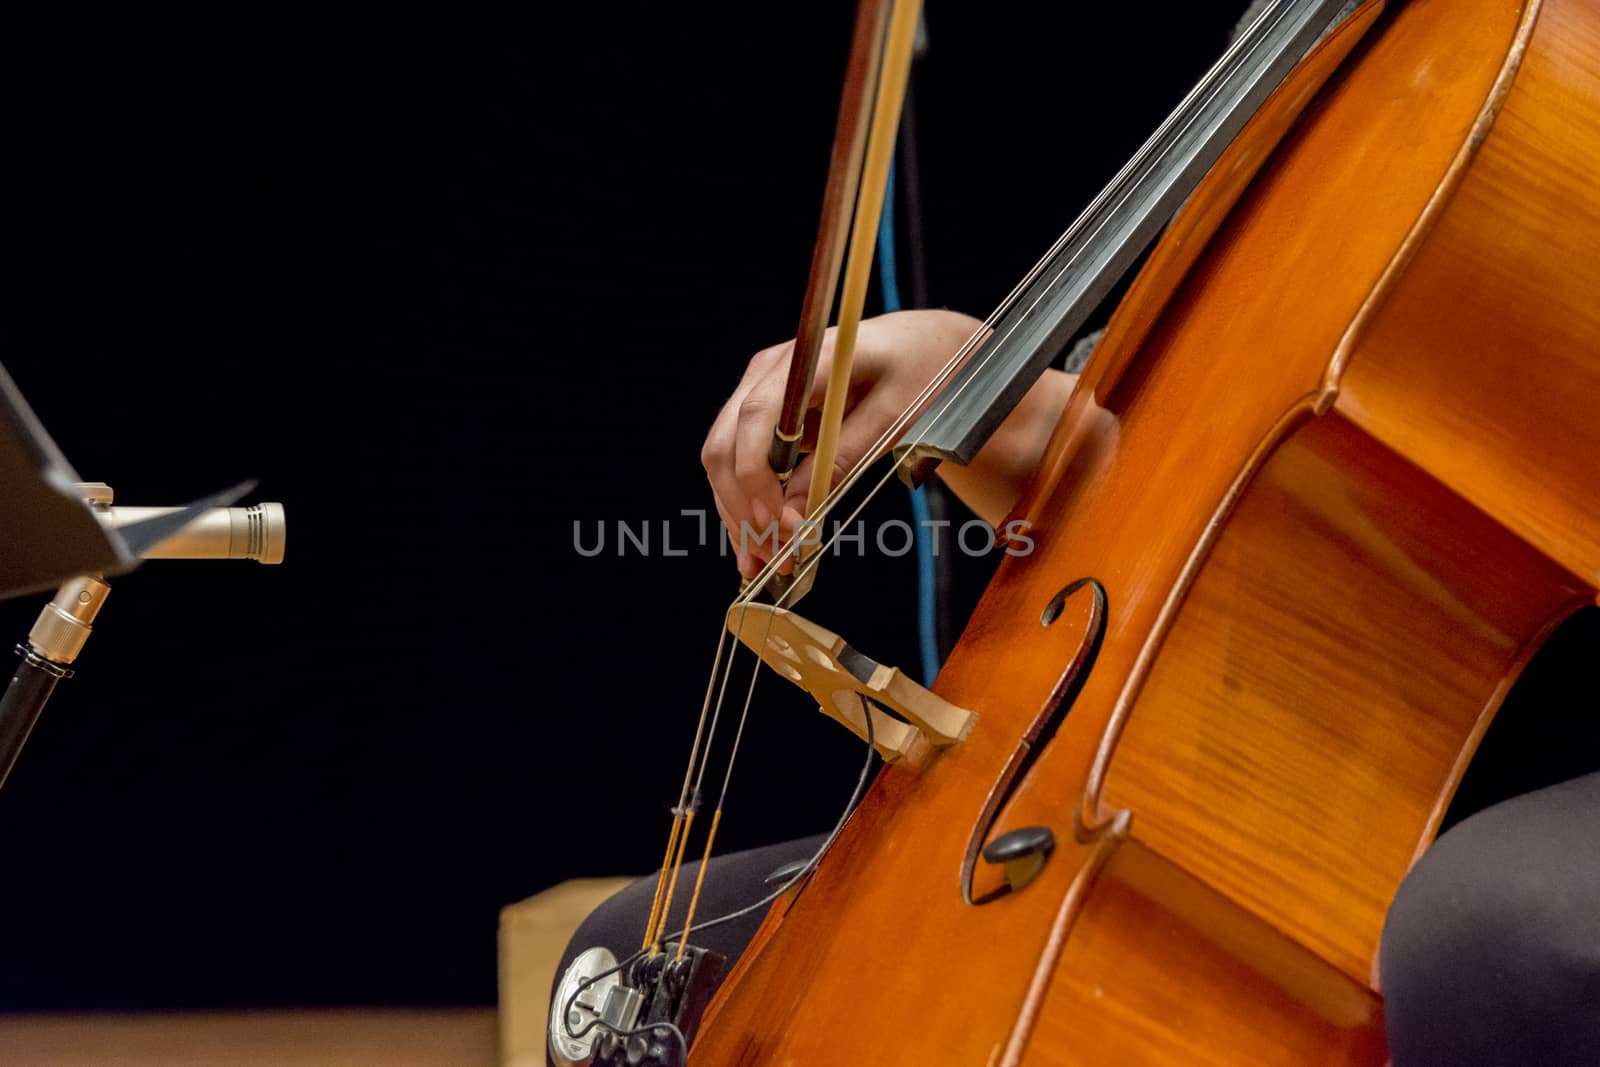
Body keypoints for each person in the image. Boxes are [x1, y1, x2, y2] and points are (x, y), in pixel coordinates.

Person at [556, 309, 1599, 1066]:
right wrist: (999, 393)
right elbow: (1246, 444)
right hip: (1310, 716)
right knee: (636, 966)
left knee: (1501, 937)